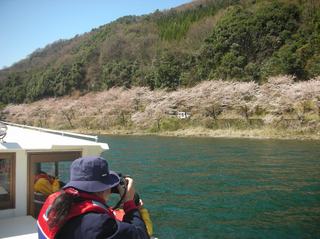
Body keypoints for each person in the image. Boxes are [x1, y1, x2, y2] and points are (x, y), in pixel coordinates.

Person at [37, 156, 149, 239]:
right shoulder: (98, 224)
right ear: (103, 189)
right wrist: (129, 203)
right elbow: (141, 236)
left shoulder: (55, 200)